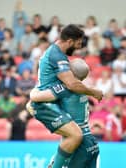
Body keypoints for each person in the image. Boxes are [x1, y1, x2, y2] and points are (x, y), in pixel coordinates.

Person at [28, 24, 103, 168]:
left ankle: (54, 164)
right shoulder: (72, 84)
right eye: (78, 44)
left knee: (73, 136)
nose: (78, 48)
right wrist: (94, 92)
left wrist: (33, 93)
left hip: (48, 99)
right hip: (90, 141)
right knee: (75, 135)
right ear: (69, 41)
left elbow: (37, 95)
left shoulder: (65, 85)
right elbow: (72, 84)